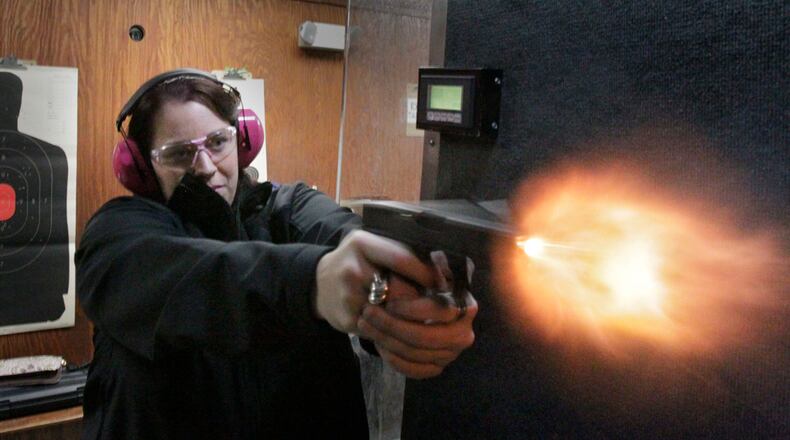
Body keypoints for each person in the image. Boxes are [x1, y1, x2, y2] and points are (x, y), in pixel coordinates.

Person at [75, 69, 477, 439]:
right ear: (143, 168)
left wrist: (404, 293)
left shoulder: (291, 207)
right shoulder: (117, 236)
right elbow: (199, 277)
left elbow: (345, 235)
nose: (206, 167)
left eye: (217, 142)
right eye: (179, 154)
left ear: (242, 141)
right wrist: (313, 282)